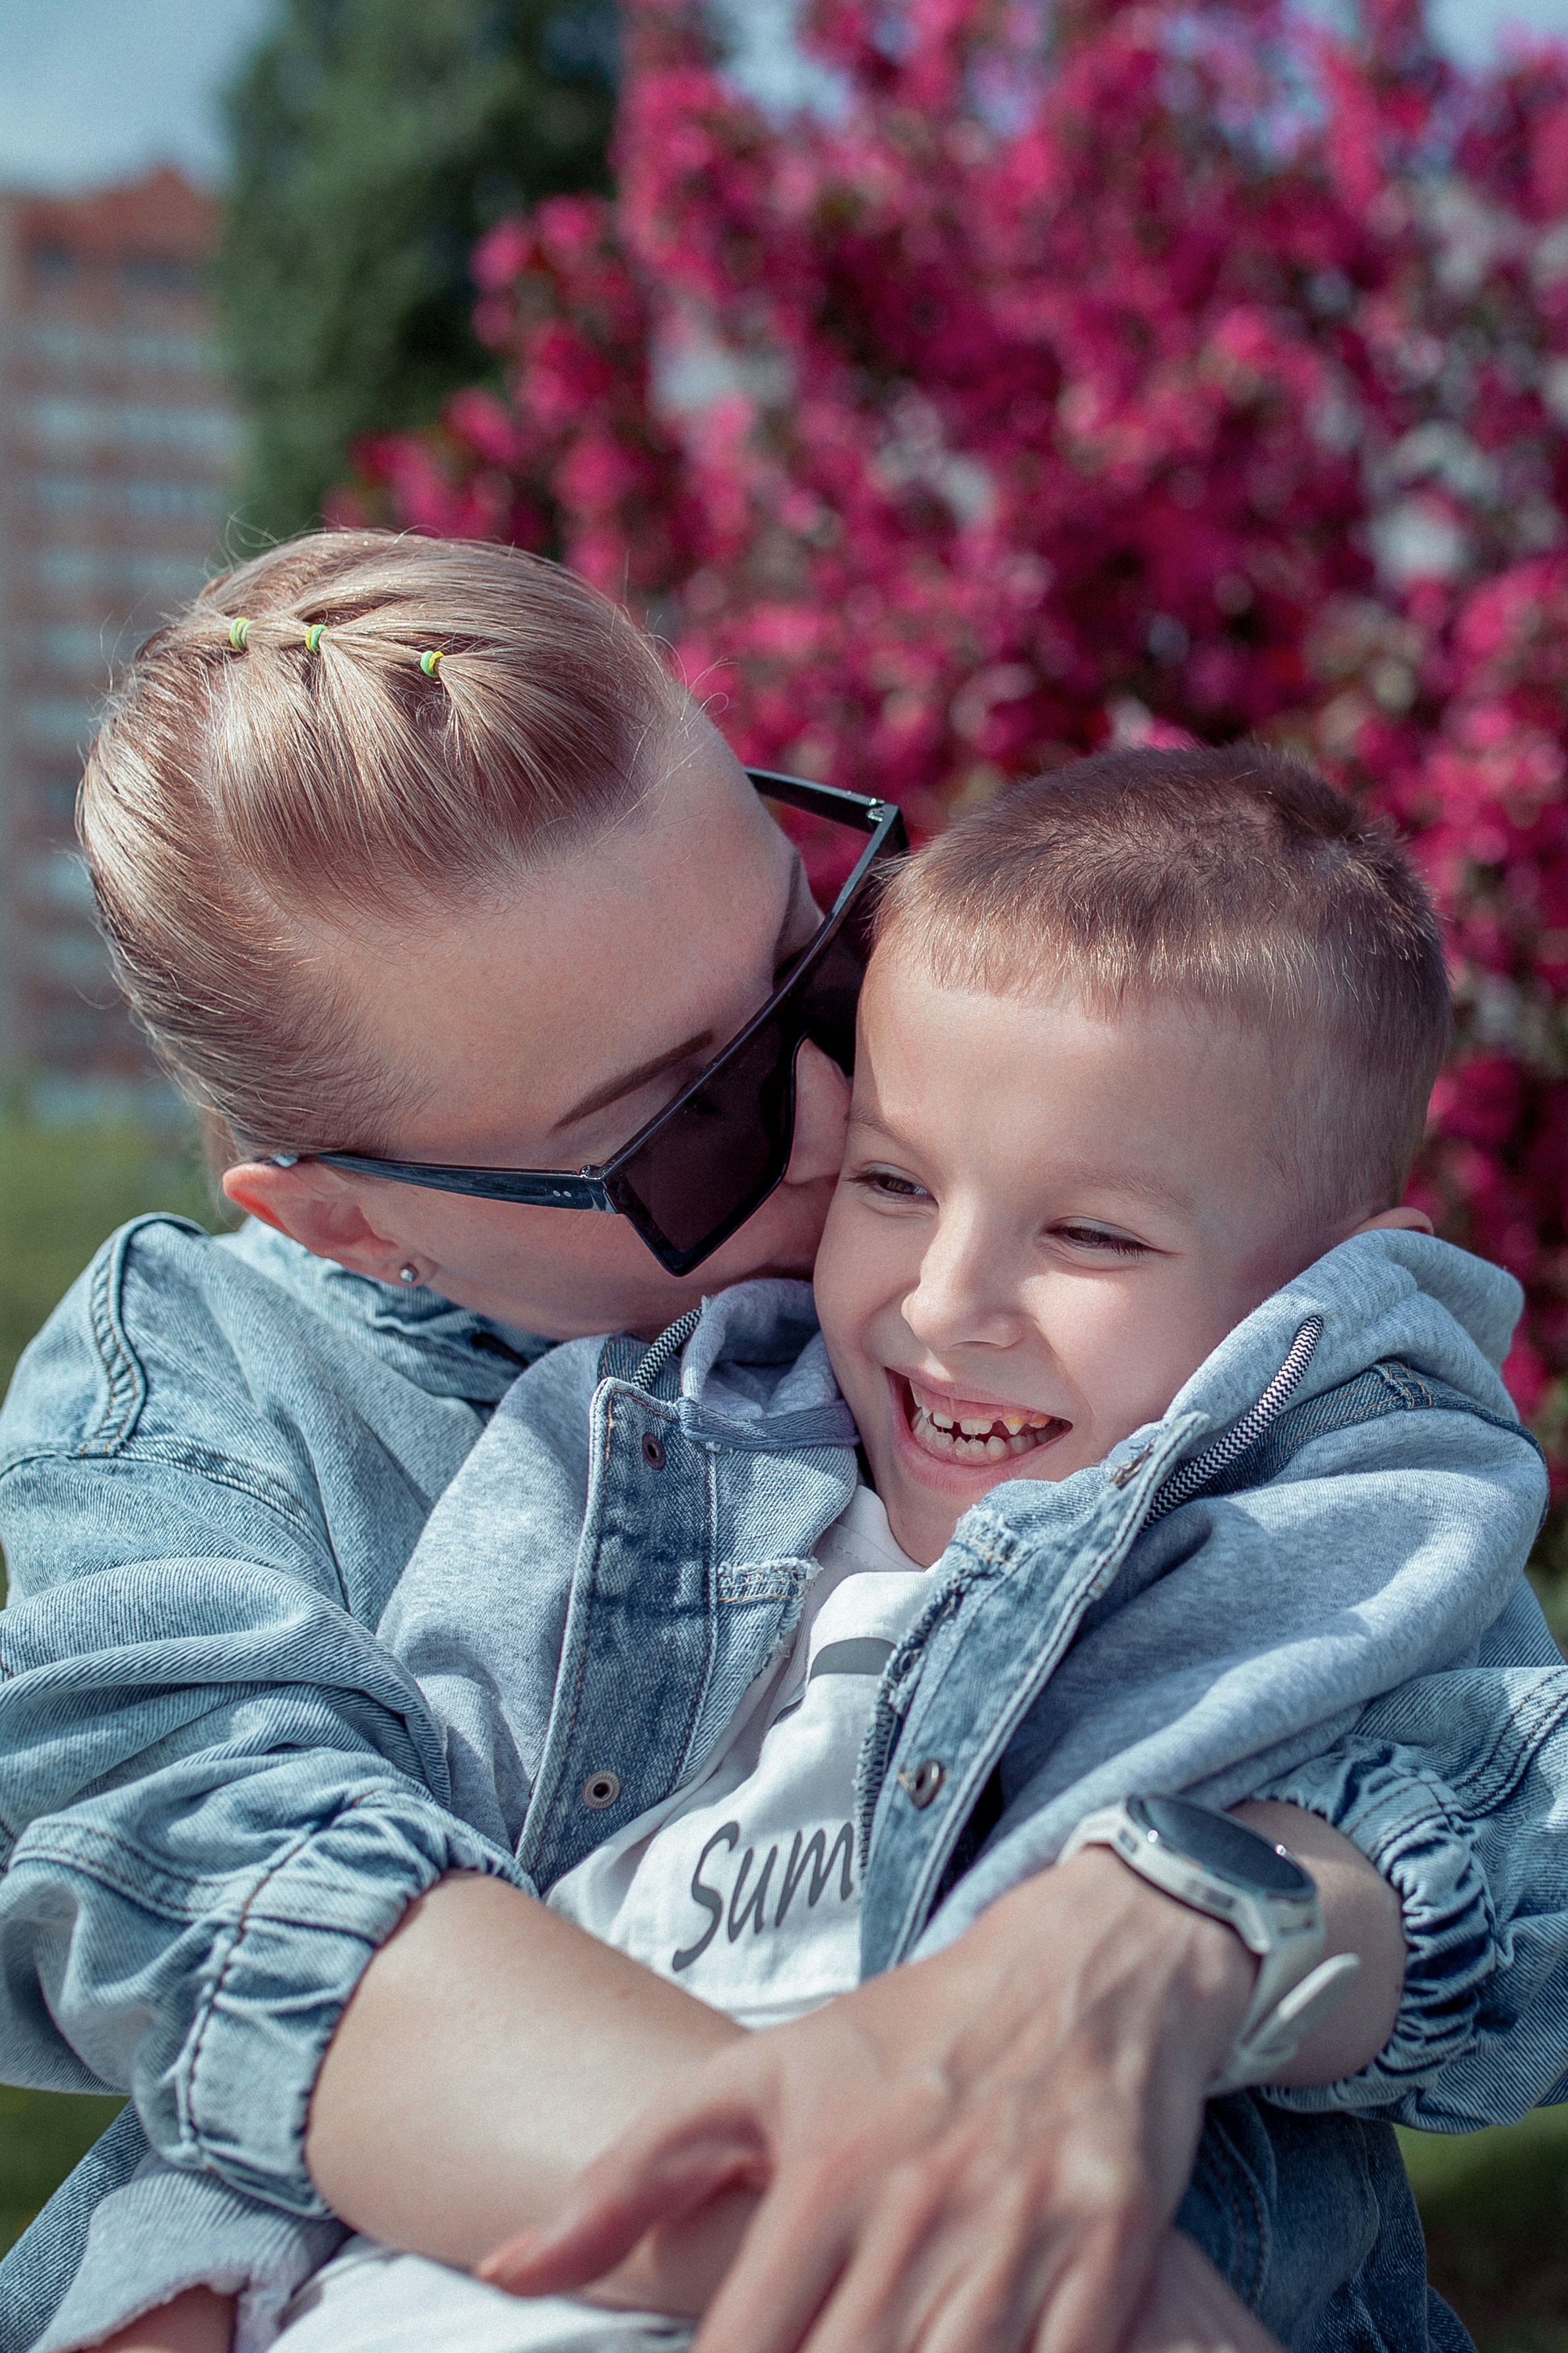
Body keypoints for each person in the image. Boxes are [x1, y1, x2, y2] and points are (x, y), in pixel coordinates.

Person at [0, 534, 1563, 2353]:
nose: (840, 1121)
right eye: (692, 1117)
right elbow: (243, 1915)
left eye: (818, 957)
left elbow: (1503, 1814)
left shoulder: (1078, 1324)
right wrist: (958, 2252)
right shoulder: (213, 1391)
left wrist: (1163, 1935)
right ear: (352, 1222)